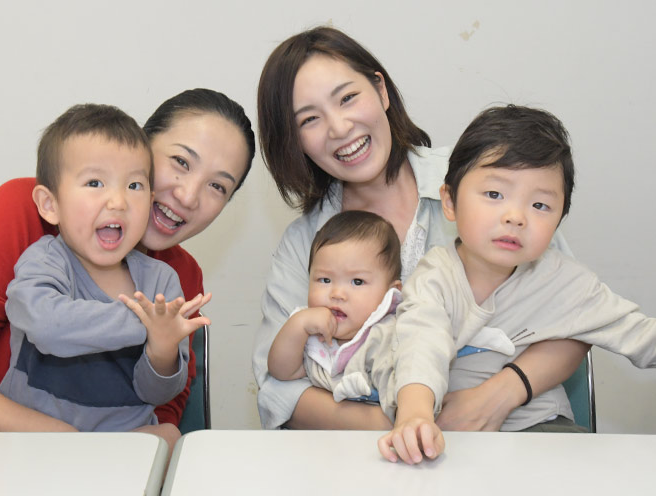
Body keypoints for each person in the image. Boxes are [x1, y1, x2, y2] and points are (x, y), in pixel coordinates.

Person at [252, 26, 589, 431]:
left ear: (381, 90)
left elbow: (575, 315)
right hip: (371, 451)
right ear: (295, 140)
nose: (339, 128)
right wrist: (404, 420)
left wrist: (493, 399)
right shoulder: (303, 242)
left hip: (518, 424)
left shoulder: (481, 179)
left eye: (347, 98)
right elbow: (278, 390)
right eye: (309, 119)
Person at [0, 88, 255, 448]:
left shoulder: (179, 276)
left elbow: (163, 406)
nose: (188, 196)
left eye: (218, 186)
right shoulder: (24, 214)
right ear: (142, 147)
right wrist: (69, 444)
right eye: (181, 162)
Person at [378, 104, 656, 464]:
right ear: (449, 201)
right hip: (450, 438)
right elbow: (421, 344)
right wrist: (415, 415)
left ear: (558, 221)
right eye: (495, 195)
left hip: (543, 430)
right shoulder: (435, 277)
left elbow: (640, 336)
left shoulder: (568, 283)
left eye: (540, 205)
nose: (516, 216)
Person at [0, 103, 210, 434]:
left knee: (168, 435)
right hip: (36, 439)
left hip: (123, 443)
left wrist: (162, 348)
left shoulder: (161, 279)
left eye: (134, 186)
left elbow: (157, 393)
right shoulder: (45, 260)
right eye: (95, 183)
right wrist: (146, 324)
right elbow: (48, 326)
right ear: (50, 205)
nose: (118, 202)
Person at [267, 210, 402, 418]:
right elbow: (281, 372)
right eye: (325, 280)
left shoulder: (389, 335)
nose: (337, 294)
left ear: (390, 293)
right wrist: (298, 325)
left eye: (357, 282)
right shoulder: (311, 335)